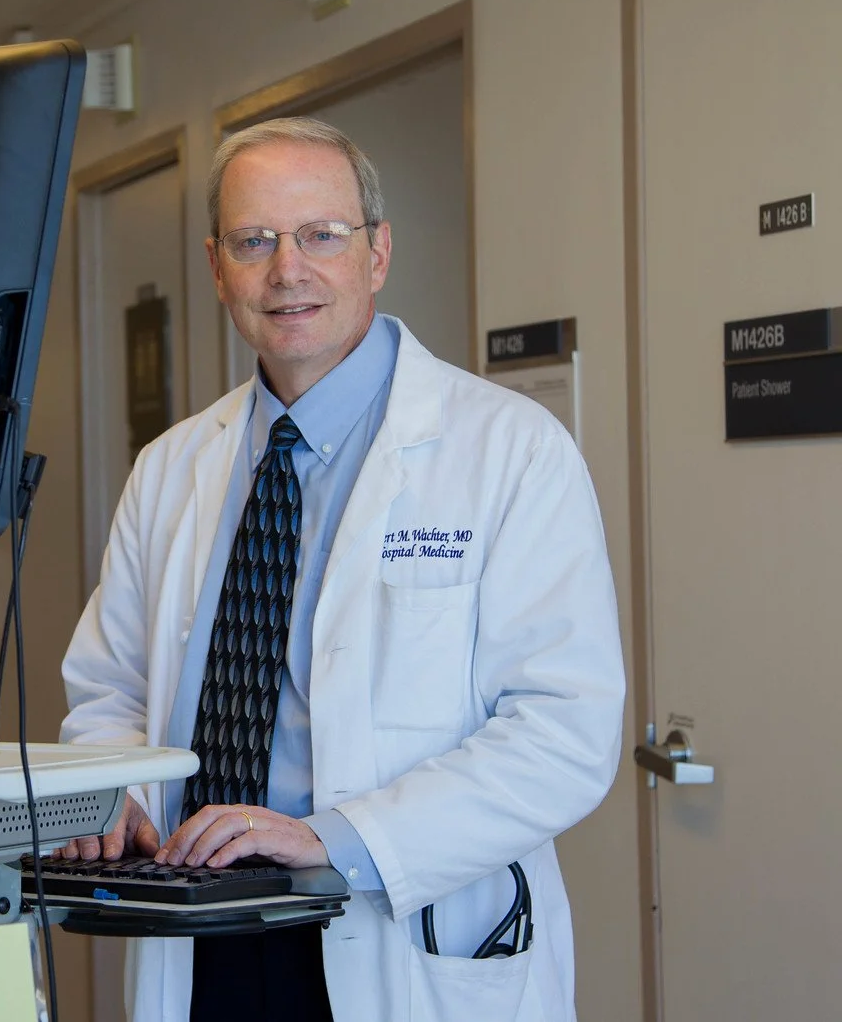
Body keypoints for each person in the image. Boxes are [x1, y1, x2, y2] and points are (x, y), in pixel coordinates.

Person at [58, 117, 625, 1022]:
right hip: (201, 936)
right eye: (255, 241)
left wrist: (334, 836)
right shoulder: (172, 467)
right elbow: (108, 688)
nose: (289, 269)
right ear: (217, 267)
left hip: (399, 929)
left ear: (378, 253)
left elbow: (564, 731)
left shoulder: (509, 450)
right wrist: (117, 792)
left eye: (322, 234)